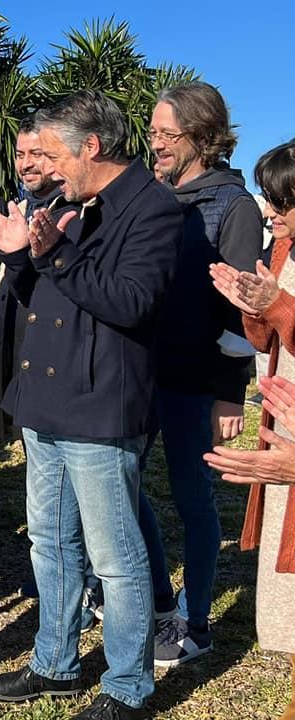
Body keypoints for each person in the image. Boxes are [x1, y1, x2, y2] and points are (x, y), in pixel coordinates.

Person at [0, 90, 182, 719]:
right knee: (50, 543)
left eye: (55, 152)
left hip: (99, 408)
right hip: (47, 403)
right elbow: (50, 293)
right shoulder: (67, 203)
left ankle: (127, 686)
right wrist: (20, 254)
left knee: (115, 557)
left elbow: (130, 302)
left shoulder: (154, 210)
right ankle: (55, 663)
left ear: (92, 146)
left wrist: (51, 252)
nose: (47, 166)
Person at [138, 81, 264, 667]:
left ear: (203, 137)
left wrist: (227, 392)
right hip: (139, 375)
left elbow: (241, 311)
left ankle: (197, 620)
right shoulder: (153, 196)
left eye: (167, 133)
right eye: (154, 132)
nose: (156, 143)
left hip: (196, 384)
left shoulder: (233, 207)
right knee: (122, 487)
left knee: (194, 500)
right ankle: (161, 602)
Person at [208, 139, 295, 720]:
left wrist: (280, 307)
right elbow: (267, 340)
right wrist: (254, 305)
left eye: (282, 199)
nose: (270, 211)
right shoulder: (284, 249)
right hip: (285, 414)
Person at [0, 115, 63, 443]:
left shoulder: (72, 211)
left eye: (36, 154)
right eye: (20, 155)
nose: (26, 164)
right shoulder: (18, 208)